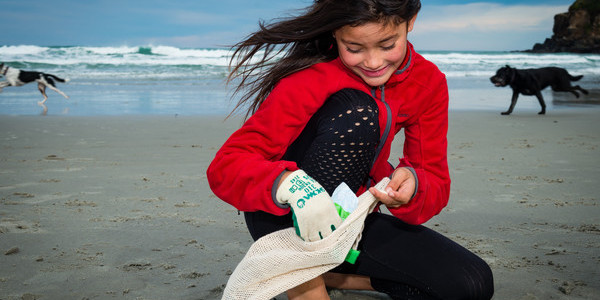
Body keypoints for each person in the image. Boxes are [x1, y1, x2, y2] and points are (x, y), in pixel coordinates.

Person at [207, 0, 494, 299]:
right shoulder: (312, 76)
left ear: (410, 21)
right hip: (283, 215)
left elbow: (434, 179)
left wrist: (414, 184)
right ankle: (302, 276)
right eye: (354, 48)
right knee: (357, 113)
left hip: (349, 219)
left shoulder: (428, 82)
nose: (372, 62)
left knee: (470, 285)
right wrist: (289, 184)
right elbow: (225, 166)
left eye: (387, 44)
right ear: (334, 33)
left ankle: (335, 277)